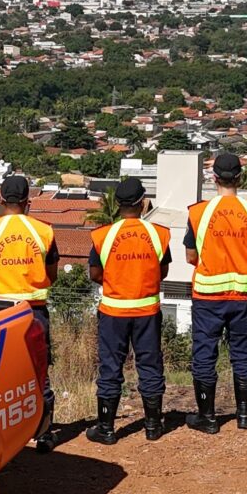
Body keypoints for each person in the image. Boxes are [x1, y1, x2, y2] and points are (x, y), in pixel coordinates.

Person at [0, 173, 60, 452]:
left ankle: (0, 437)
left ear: (1, 200)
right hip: (34, 313)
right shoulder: (44, 231)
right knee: (39, 372)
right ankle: (43, 434)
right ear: (27, 200)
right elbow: (52, 274)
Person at [184, 152, 247, 433]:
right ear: (240, 178)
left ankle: (207, 418)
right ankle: (244, 415)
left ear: (214, 178)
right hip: (243, 295)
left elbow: (190, 255)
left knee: (205, 354)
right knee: (243, 354)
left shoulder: (198, 213)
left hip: (208, 296)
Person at [86, 177, 172, 444]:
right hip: (147, 311)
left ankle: (106, 428)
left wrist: (117, 281)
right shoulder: (158, 234)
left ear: (117, 204)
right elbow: (163, 271)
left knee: (110, 367)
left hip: (113, 312)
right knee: (150, 364)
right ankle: (153, 426)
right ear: (143, 203)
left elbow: (94, 273)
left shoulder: (103, 236)